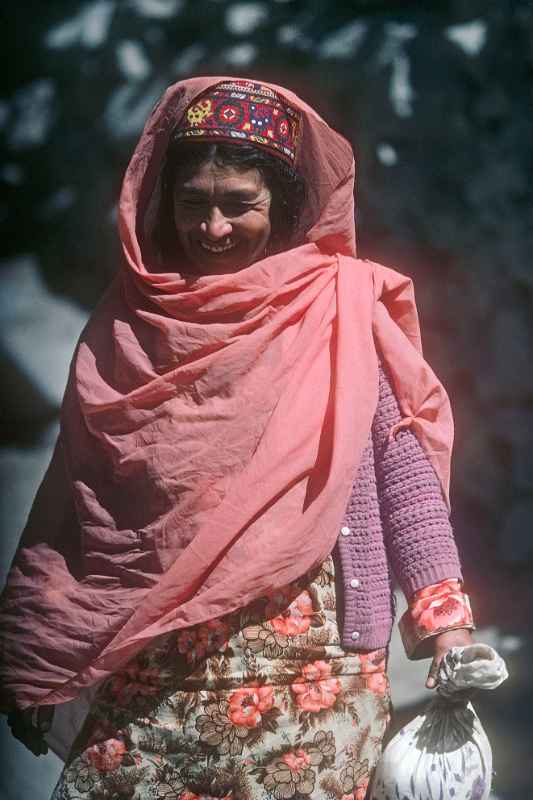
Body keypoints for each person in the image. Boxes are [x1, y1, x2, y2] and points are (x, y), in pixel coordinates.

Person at [0, 77, 474, 799]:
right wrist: (38, 639)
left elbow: (401, 475)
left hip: (314, 680)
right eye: (194, 202)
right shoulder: (129, 329)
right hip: (153, 667)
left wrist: (447, 628)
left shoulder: (338, 306)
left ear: (281, 205)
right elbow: (79, 500)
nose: (213, 228)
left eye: (239, 204)